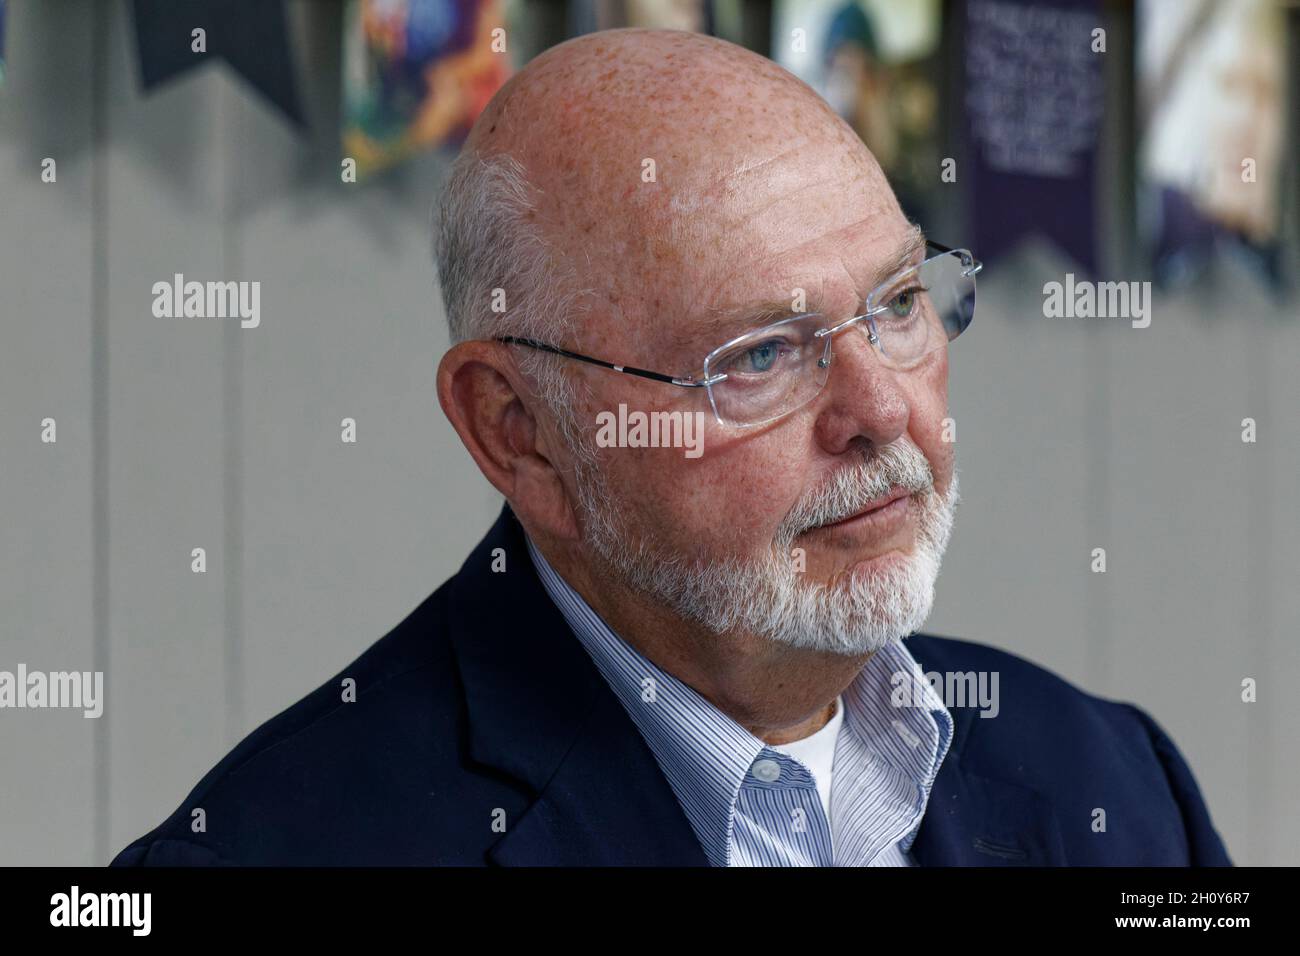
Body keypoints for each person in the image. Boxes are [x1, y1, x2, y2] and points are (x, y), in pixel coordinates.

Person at [111, 28, 1230, 867]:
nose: (880, 411)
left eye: (897, 302)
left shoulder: (1119, 785)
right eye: (756, 356)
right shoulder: (275, 850)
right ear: (521, 432)